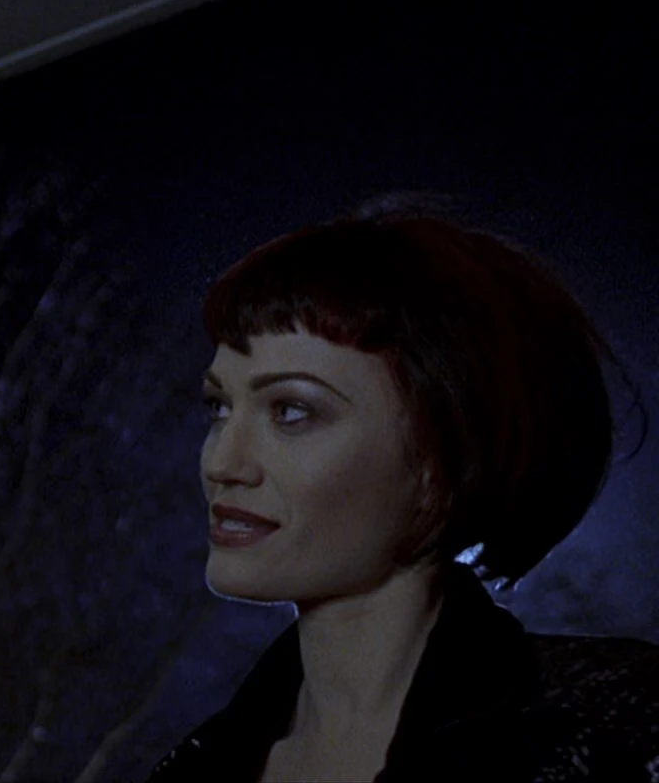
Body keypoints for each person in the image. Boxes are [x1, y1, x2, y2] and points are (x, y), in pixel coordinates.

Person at [147, 207, 659, 781]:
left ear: (445, 460)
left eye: (291, 411)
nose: (221, 462)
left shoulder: (622, 727)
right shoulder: (196, 768)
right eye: (219, 407)